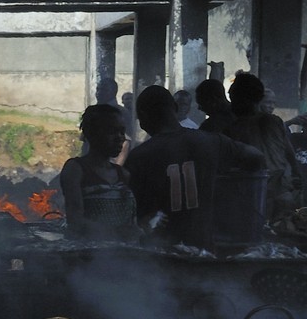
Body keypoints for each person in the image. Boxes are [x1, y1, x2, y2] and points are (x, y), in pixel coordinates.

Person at [125, 85, 265, 252]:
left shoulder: (139, 156)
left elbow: (131, 215)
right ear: (175, 108)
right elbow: (256, 157)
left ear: (142, 116)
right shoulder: (212, 142)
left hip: (159, 254)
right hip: (203, 250)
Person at [224, 72, 304, 221]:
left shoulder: (233, 129)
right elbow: (289, 152)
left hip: (255, 198)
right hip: (281, 195)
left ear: (244, 98)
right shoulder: (275, 121)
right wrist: (297, 173)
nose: (231, 102)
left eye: (233, 97)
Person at [57, 103, 137, 241]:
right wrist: (116, 233)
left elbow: (130, 222)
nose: (120, 138)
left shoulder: (123, 174)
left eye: (122, 132)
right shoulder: (76, 169)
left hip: (122, 258)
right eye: (112, 131)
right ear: (92, 134)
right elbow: (75, 221)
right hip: (88, 258)